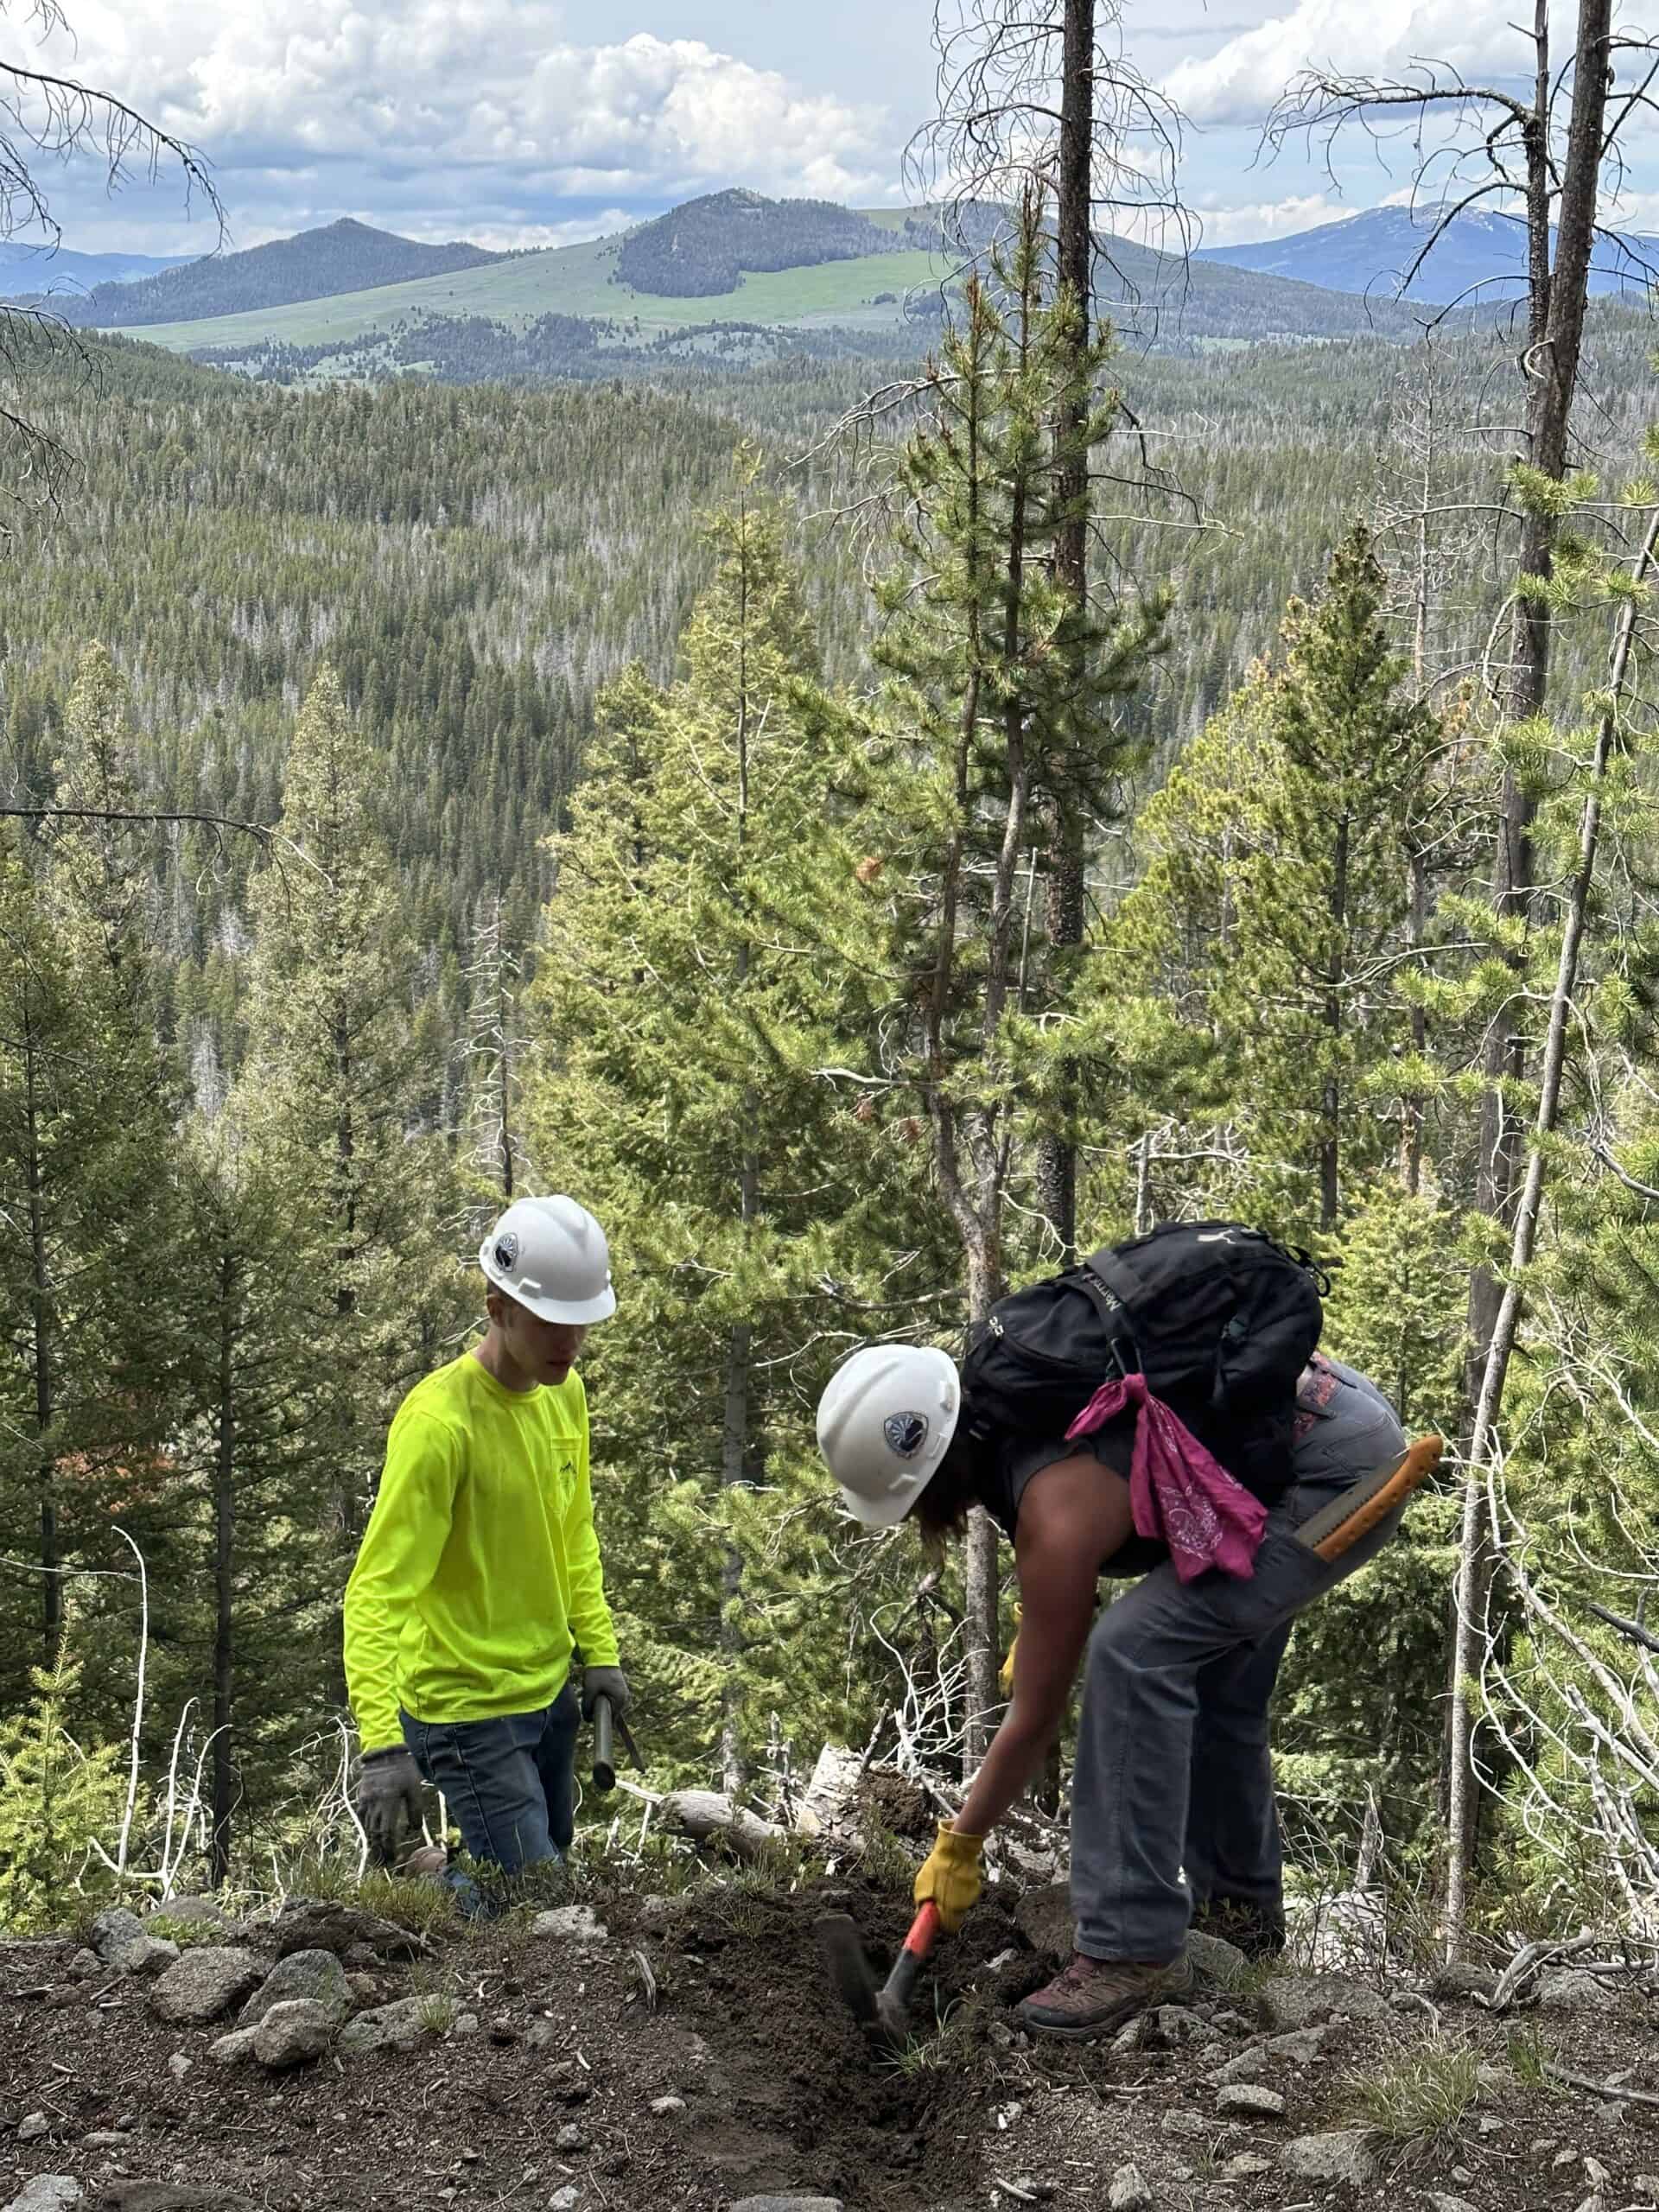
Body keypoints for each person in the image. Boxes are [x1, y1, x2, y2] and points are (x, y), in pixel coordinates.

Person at [817, 1336, 1410, 2039]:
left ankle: (1130, 1949)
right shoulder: (1015, 1399)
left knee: (1134, 1651)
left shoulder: (1050, 1506)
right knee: (1214, 1673)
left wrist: (961, 1842)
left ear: (931, 1477)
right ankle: (1239, 1926)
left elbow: (1036, 1719)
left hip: (1326, 1471)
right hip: (1332, 1410)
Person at [345, 1194, 630, 1896]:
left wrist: (599, 1652)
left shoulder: (565, 1395)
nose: (569, 1342)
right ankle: (422, 1892)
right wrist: (382, 1744)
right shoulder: (440, 1426)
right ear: (497, 1307)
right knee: (536, 1898)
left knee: (543, 1867)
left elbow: (573, 1533)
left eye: (582, 1324)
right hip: (463, 1706)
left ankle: (448, 1884)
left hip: (545, 1691)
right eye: (551, 1321)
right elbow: (377, 1591)